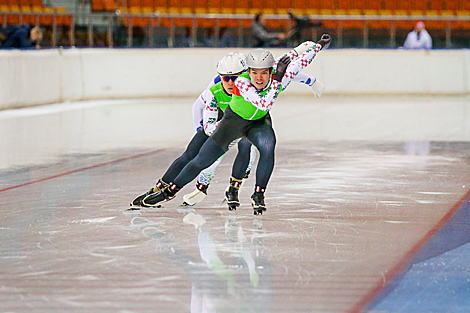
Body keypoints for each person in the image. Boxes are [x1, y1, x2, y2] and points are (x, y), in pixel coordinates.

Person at [139, 34, 332, 216]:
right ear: (247, 72)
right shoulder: (242, 82)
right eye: (254, 73)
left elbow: (295, 61)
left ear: (270, 71)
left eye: (264, 73)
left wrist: (318, 46)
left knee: (267, 146)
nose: (259, 78)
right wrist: (277, 80)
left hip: (258, 123)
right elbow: (264, 102)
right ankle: (169, 191)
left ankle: (258, 194)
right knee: (201, 161)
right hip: (233, 123)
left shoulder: (278, 73)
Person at [182, 47, 325, 208]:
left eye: (235, 77)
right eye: (226, 78)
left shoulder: (253, 75)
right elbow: (197, 106)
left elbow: (287, 73)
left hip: (246, 118)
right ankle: (203, 185)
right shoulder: (217, 84)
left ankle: (234, 187)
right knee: (214, 158)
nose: (231, 82)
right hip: (226, 117)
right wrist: (201, 132)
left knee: (247, 149)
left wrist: (311, 80)